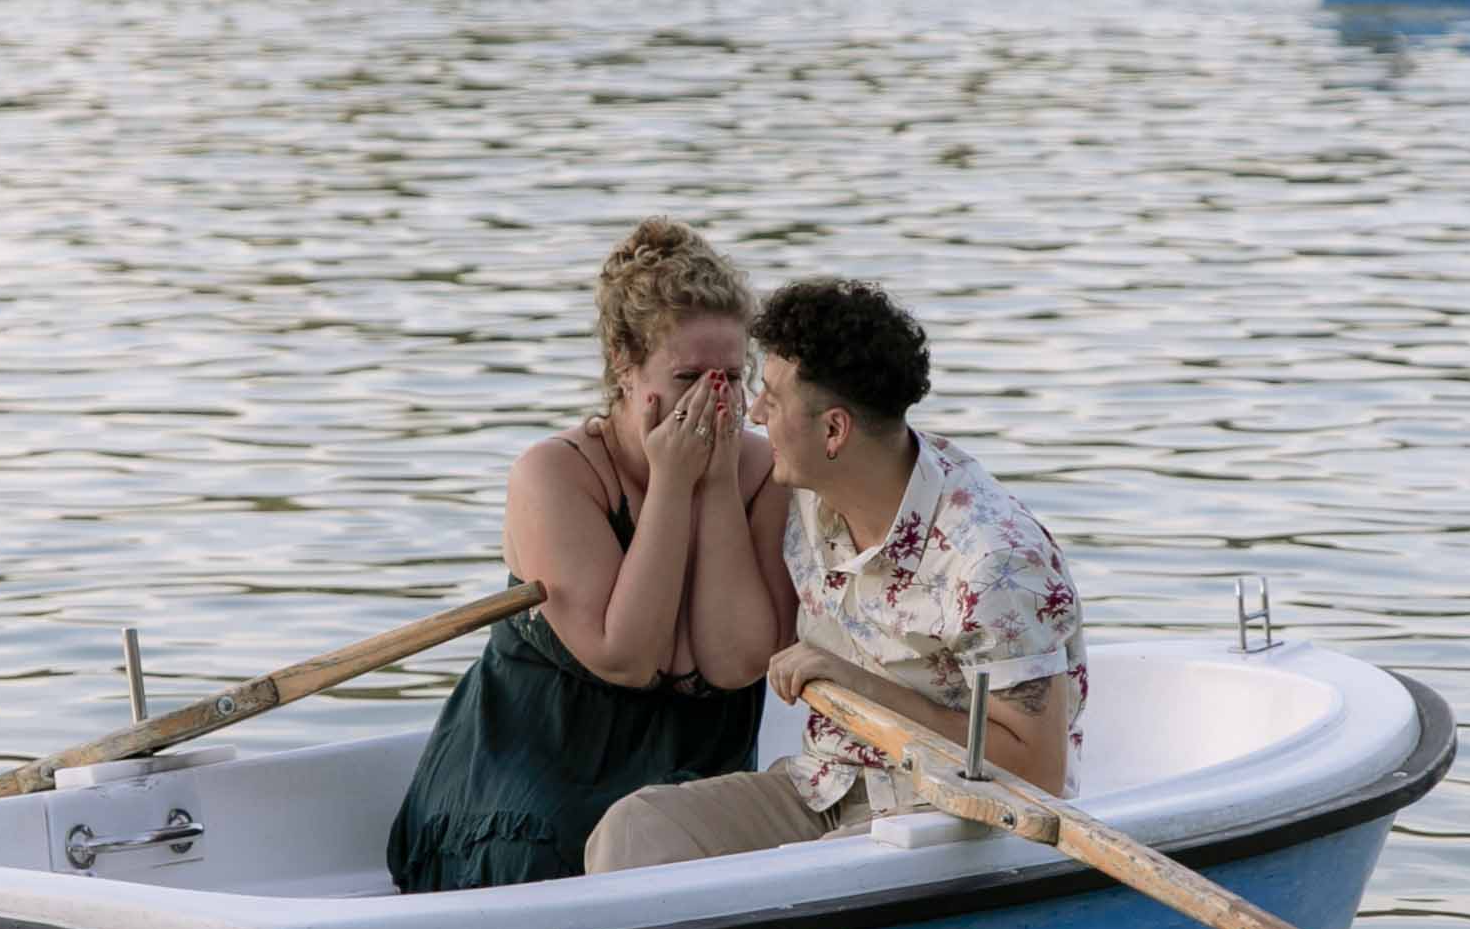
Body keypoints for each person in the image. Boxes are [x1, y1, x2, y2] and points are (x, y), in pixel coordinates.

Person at [587, 278, 1084, 871]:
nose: (753, 412)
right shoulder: (803, 497)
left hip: (944, 815)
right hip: (821, 786)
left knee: (812, 874)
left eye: (770, 396)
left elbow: (1038, 773)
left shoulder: (993, 563)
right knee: (637, 829)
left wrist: (860, 685)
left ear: (834, 431)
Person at [385, 222, 791, 892]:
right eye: (687, 376)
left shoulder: (759, 471)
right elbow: (626, 656)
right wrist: (668, 486)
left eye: (730, 378)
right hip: (542, 762)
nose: (712, 402)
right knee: (545, 865)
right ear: (624, 365)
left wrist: (713, 485)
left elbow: (734, 661)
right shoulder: (556, 474)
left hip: (695, 764)